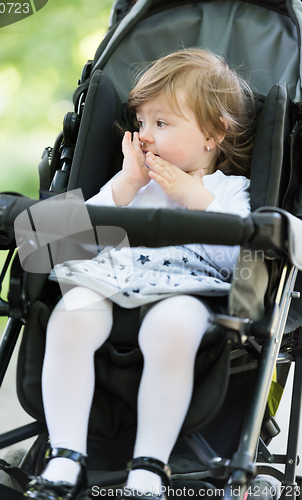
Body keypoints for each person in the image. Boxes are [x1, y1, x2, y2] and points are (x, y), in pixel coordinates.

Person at [25, 48, 254, 500]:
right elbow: (73, 237)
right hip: (112, 280)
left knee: (173, 326)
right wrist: (125, 186)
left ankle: (149, 465)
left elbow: (240, 264)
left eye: (162, 123)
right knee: (71, 312)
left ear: (213, 133)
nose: (145, 136)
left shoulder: (227, 191)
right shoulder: (134, 182)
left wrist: (198, 202)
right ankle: (65, 454)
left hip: (187, 290)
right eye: (141, 122)